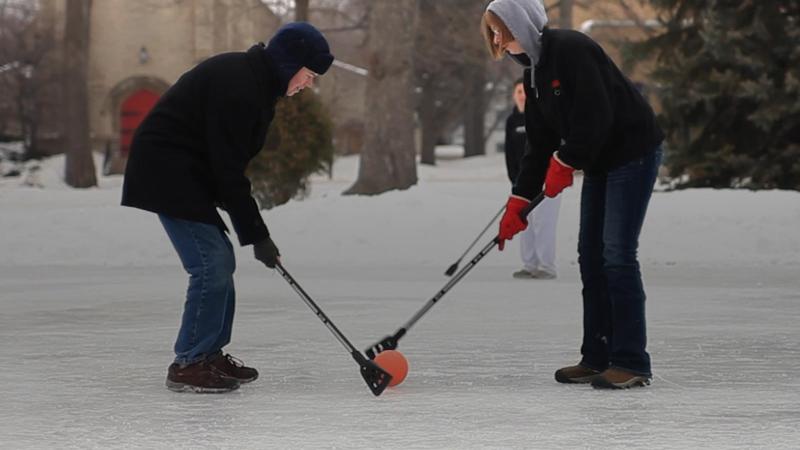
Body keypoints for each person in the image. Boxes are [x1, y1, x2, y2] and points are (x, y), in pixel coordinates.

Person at [121, 23, 334, 393]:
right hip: (167, 170)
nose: (309, 84)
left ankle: (209, 354)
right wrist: (257, 235)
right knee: (210, 261)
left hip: (187, 171)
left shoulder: (257, 85)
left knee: (219, 257)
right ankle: (189, 362)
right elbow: (228, 170)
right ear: (290, 63)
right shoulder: (241, 86)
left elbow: (227, 162)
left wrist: (252, 233)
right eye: (309, 74)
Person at [482, 0, 664, 389]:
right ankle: (597, 356)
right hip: (600, 160)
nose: (496, 38)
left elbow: (595, 116)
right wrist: (519, 201)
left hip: (632, 152)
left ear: (521, 22)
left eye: (501, 28)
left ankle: (631, 361)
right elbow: (538, 143)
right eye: (492, 31)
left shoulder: (571, 49)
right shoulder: (533, 75)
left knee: (616, 252)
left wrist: (566, 162)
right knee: (591, 255)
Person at [504, 78, 561, 280]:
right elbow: (509, 153)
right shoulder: (512, 121)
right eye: (518, 91)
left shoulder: (542, 117)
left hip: (546, 181)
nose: (521, 95)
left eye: (524, 91)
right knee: (524, 222)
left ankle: (547, 266)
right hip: (522, 183)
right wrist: (515, 181)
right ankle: (530, 264)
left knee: (544, 223)